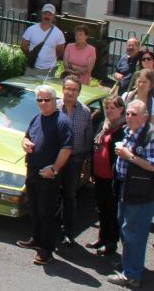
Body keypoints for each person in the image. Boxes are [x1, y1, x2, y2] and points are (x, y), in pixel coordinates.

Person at [106, 99, 154, 288]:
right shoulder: (129, 130)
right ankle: (129, 264)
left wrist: (129, 156)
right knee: (125, 227)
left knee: (134, 232)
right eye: (128, 113)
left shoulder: (152, 136)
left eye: (134, 114)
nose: (129, 117)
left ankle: (132, 275)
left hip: (142, 192)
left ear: (145, 117)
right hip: (127, 186)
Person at [18, 84, 72, 264]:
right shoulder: (36, 118)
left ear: (55, 100)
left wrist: (54, 169)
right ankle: (36, 239)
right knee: (33, 208)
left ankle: (46, 250)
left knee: (46, 212)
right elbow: (26, 137)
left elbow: (66, 149)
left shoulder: (62, 121)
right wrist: (25, 143)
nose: (42, 103)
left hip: (48, 176)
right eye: (39, 100)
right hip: (32, 171)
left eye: (46, 100)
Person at [88, 95, 126, 257]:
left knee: (111, 210)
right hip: (99, 175)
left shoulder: (123, 129)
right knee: (101, 209)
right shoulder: (103, 125)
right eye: (108, 108)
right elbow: (94, 147)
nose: (109, 111)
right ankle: (102, 238)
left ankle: (111, 242)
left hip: (112, 178)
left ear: (121, 110)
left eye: (113, 108)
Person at [58, 74, 94, 246]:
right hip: (55, 158)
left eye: (74, 90)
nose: (71, 92)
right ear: (62, 90)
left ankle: (68, 232)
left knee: (70, 196)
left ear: (79, 92)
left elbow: (88, 139)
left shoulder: (85, 112)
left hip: (74, 160)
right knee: (51, 195)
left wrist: (87, 163)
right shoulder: (54, 107)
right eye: (68, 89)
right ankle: (51, 228)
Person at [20, 3, 66, 73]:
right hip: (32, 67)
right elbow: (23, 46)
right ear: (41, 14)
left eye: (50, 14)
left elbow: (60, 51)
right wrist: (31, 56)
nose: (47, 16)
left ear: (53, 16)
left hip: (50, 70)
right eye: (45, 13)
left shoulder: (58, 33)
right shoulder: (31, 29)